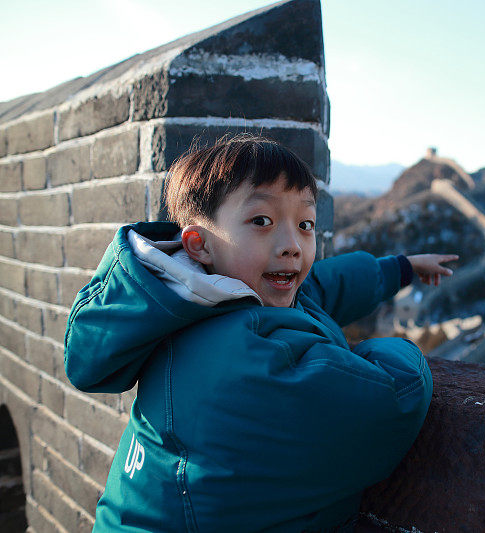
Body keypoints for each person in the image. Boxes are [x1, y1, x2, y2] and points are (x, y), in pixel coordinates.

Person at [63, 135, 458, 532]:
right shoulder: (251, 361)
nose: (292, 246)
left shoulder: (185, 301)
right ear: (198, 243)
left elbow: (315, 290)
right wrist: (388, 349)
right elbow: (394, 397)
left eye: (305, 225)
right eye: (262, 221)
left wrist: (398, 269)